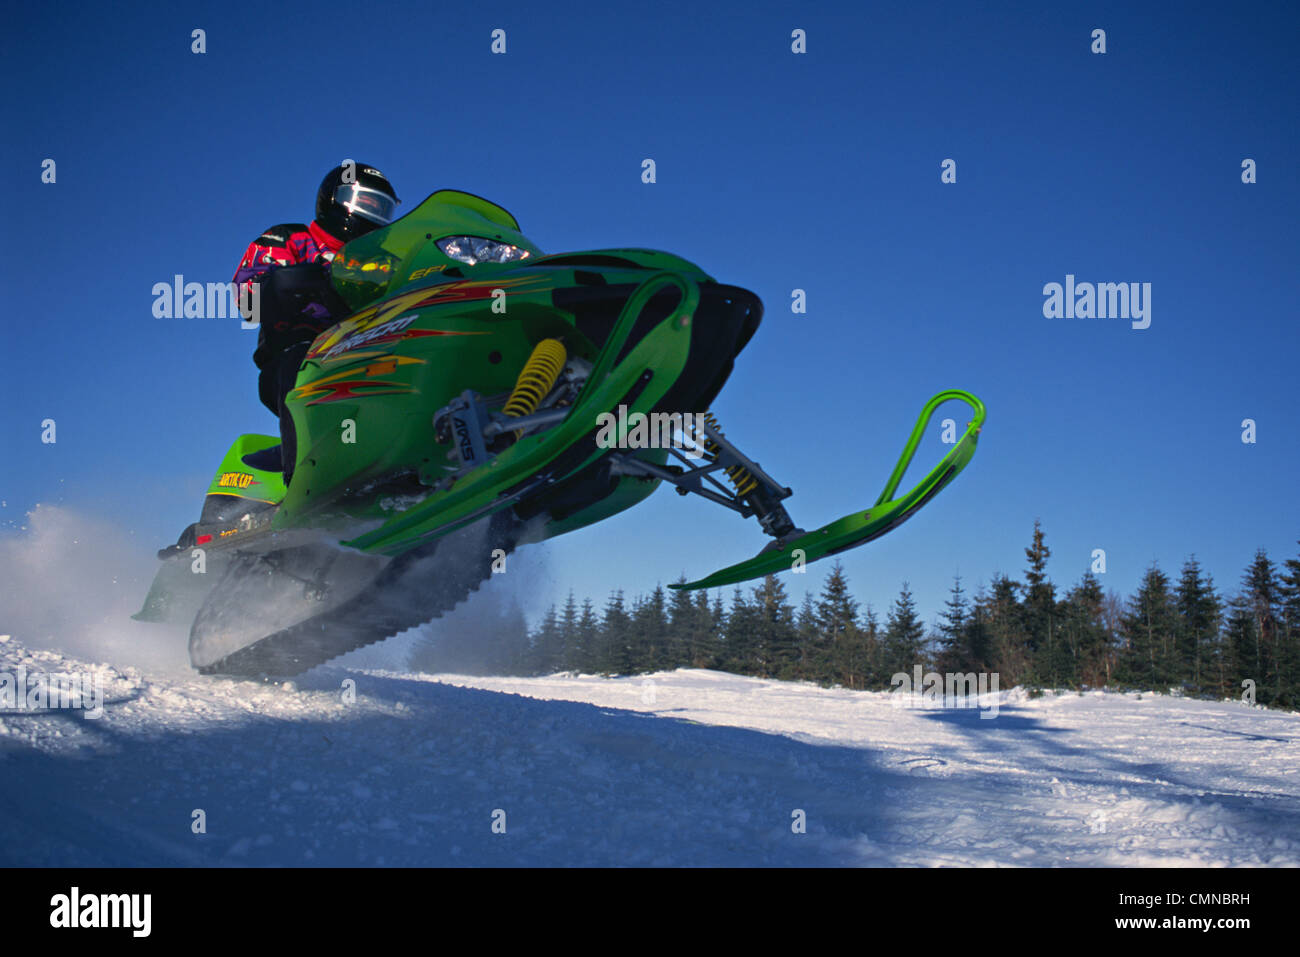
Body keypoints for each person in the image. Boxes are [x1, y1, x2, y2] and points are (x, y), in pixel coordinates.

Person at [232, 163, 400, 480]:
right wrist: (296, 285)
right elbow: (249, 294)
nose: (372, 212)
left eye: (381, 208)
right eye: (364, 202)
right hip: (301, 353)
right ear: (334, 199)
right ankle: (304, 483)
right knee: (299, 358)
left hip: (371, 351)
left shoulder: (385, 262)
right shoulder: (290, 238)